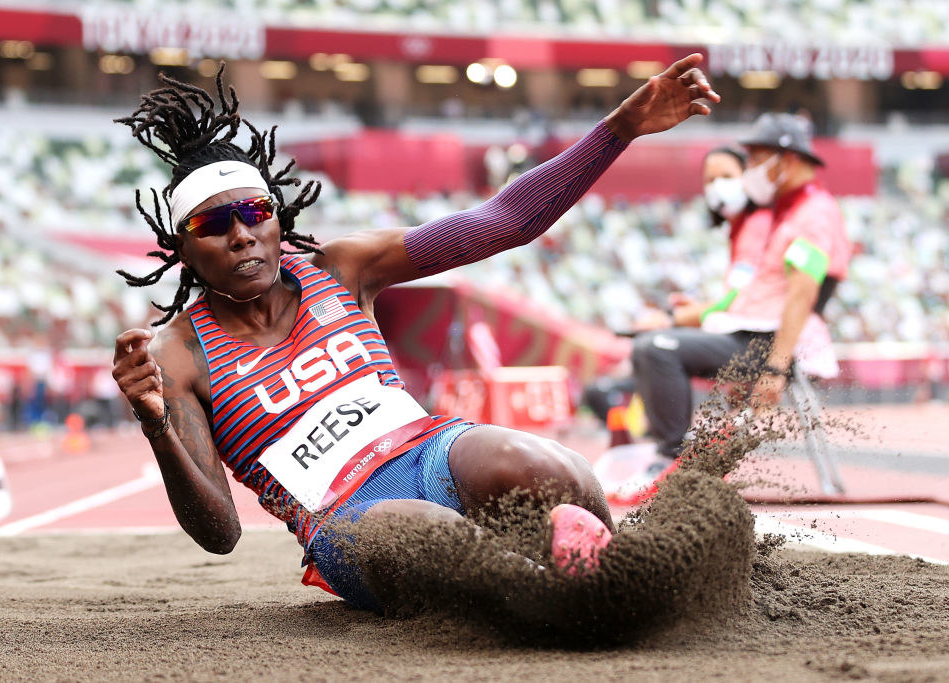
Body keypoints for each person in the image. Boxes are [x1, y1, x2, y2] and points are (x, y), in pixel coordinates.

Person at [111, 55, 719, 612]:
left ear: (277, 217)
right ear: (183, 250)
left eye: (256, 211)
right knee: (423, 529)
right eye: (214, 224)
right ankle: (566, 603)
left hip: (433, 450)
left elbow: (503, 221)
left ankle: (616, 570)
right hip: (344, 519)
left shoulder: (341, 267)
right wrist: (156, 423)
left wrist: (617, 130)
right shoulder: (177, 354)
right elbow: (220, 534)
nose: (242, 235)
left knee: (549, 467)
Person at [609, 113, 851, 502]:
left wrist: (775, 367)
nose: (749, 171)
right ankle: (678, 458)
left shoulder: (814, 213)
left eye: (755, 160)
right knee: (657, 346)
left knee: (655, 348)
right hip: (752, 333)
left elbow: (801, 295)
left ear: (786, 159)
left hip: (769, 342)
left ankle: (670, 460)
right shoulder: (786, 211)